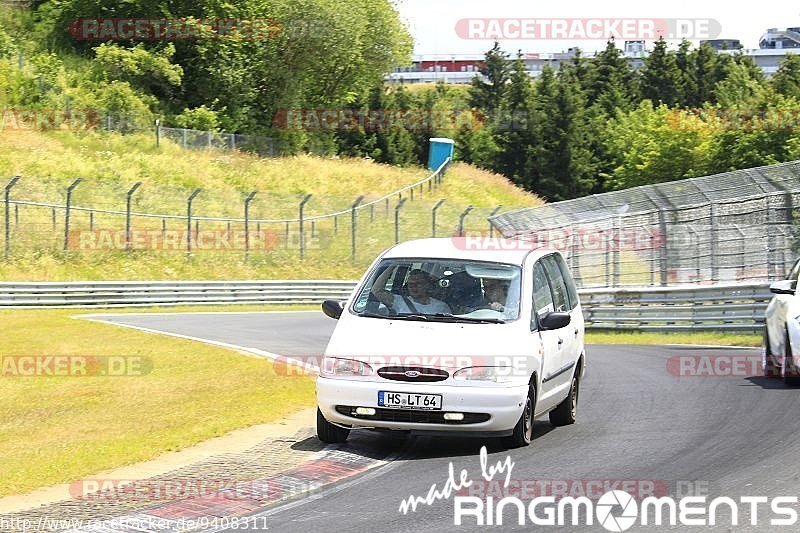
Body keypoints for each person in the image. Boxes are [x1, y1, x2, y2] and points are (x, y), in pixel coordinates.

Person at [371, 266, 451, 314]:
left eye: (418, 283)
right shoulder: (399, 301)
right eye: (411, 284)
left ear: (427, 285)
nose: (413, 287)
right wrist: (393, 266)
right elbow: (376, 291)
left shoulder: (441, 307)